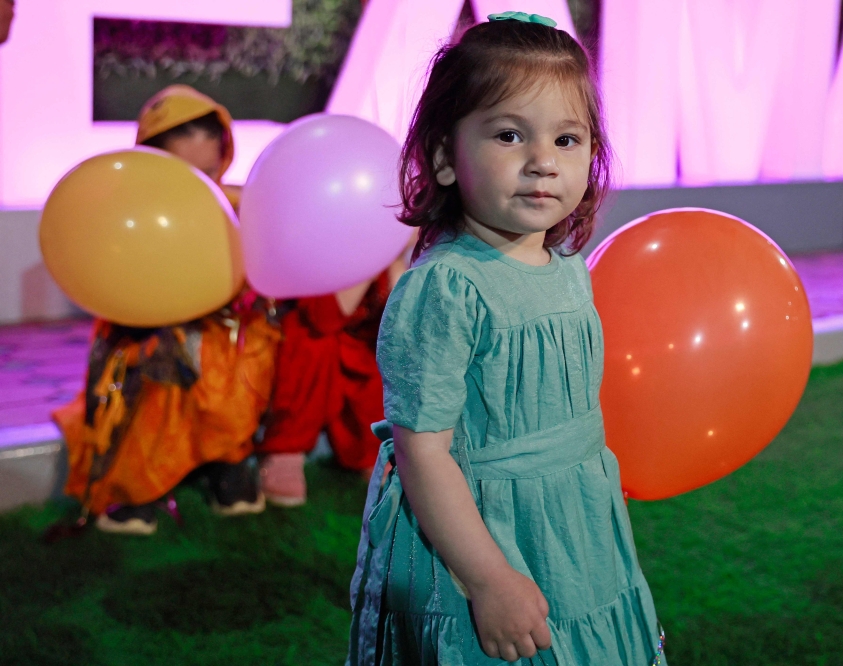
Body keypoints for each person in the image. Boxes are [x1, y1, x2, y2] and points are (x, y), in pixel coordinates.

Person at [347, 13, 664, 665]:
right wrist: (487, 579)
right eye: (510, 134)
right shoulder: (447, 288)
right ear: (442, 156)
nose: (542, 162)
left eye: (568, 139)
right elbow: (423, 453)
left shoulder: (571, 271)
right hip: (480, 538)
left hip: (574, 526)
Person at [53, 86, 280, 536]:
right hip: (147, 329)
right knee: (149, 367)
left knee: (245, 358)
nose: (202, 186)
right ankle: (132, 485)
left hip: (225, 331)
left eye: (210, 172)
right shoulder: (122, 211)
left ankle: (227, 464)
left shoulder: (241, 205)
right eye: (183, 175)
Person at [256, 254, 408, 507]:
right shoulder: (327, 249)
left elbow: (403, 332)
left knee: (384, 360)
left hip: (364, 355)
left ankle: (373, 450)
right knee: (309, 341)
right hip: (316, 346)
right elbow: (322, 317)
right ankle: (286, 449)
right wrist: (372, 259)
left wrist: (397, 268)